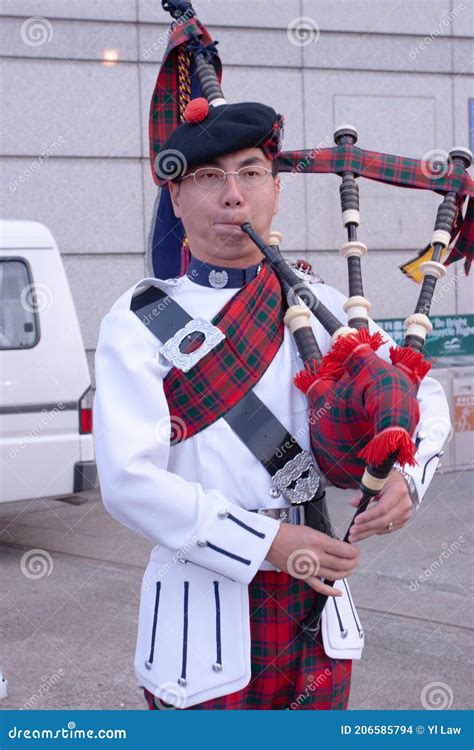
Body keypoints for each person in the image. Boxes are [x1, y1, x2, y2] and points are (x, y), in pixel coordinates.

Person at [93, 101, 450, 710]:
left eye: (251, 172)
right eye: (209, 176)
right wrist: (269, 544)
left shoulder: (327, 302)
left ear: (276, 191)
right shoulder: (142, 318)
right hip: (200, 618)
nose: (234, 195)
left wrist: (409, 477)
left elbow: (423, 391)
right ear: (175, 198)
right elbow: (128, 481)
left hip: (319, 610)